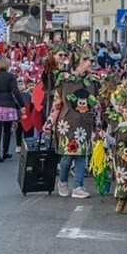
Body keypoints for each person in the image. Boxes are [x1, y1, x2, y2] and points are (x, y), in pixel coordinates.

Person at [44, 44, 100, 199]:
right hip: (66, 124)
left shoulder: (93, 82)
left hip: (85, 124)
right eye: (86, 59)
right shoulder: (64, 80)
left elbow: (96, 106)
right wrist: (49, 123)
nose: (90, 63)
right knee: (68, 156)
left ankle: (78, 187)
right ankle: (62, 181)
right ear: (77, 62)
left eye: (92, 60)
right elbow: (57, 104)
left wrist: (98, 126)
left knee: (82, 155)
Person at [0, 57, 25, 163]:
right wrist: (22, 105)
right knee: (7, 130)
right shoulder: (11, 77)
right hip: (7, 105)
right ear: (7, 65)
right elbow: (15, 92)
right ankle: (5, 152)